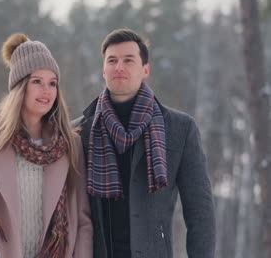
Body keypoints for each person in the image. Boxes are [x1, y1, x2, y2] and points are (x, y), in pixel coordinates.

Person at [73, 28, 215, 258]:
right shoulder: (79, 131)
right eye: (112, 60)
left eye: (128, 60)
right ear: (103, 69)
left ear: (145, 69)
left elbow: (200, 212)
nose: (119, 67)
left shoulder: (180, 129)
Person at [0, 33, 92, 258]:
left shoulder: (70, 144)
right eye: (37, 81)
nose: (46, 90)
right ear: (20, 87)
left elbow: (84, 221)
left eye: (52, 83)